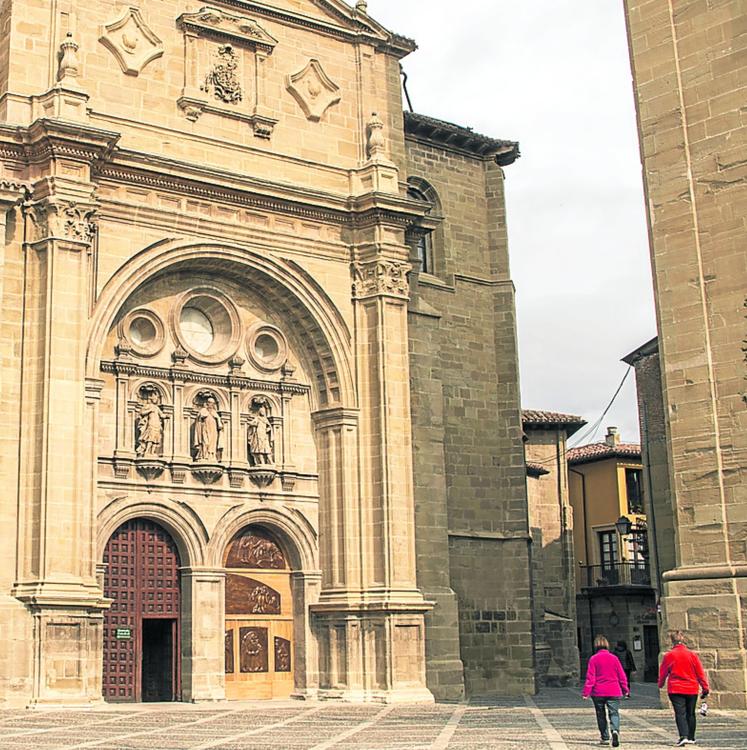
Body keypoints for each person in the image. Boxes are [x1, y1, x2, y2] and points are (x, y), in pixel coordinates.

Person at [658, 630, 709, 746]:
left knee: (680, 713)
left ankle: (683, 735)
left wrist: (660, 684)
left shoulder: (669, 656)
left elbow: (663, 673)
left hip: (675, 688)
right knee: (690, 713)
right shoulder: (692, 655)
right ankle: (691, 737)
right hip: (691, 688)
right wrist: (705, 688)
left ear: (672, 641)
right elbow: (700, 673)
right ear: (683, 640)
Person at [583, 634, 629, 747]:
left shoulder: (593, 659)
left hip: (598, 692)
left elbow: (590, 677)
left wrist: (586, 692)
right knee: (614, 712)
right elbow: (621, 675)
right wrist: (625, 689)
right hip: (613, 690)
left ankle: (605, 737)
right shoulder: (614, 658)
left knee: (601, 714)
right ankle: (615, 730)